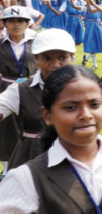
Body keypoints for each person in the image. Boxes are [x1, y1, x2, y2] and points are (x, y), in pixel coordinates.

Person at [0, 65, 102, 213]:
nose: (86, 115)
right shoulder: (25, 178)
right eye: (71, 107)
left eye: (94, 105)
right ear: (47, 115)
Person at [0, 28, 75, 170]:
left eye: (62, 58)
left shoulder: (83, 87)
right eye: (46, 58)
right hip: (32, 158)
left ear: (72, 56)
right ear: (36, 58)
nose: (55, 65)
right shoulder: (21, 90)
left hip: (73, 155)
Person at [0, 6, 37, 180]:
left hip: (32, 88)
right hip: (5, 87)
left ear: (27, 23)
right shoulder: (1, 44)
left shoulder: (36, 42)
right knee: (7, 128)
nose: (16, 24)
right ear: (4, 24)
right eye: (11, 21)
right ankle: (7, 167)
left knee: (32, 125)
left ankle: (33, 163)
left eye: (21, 21)